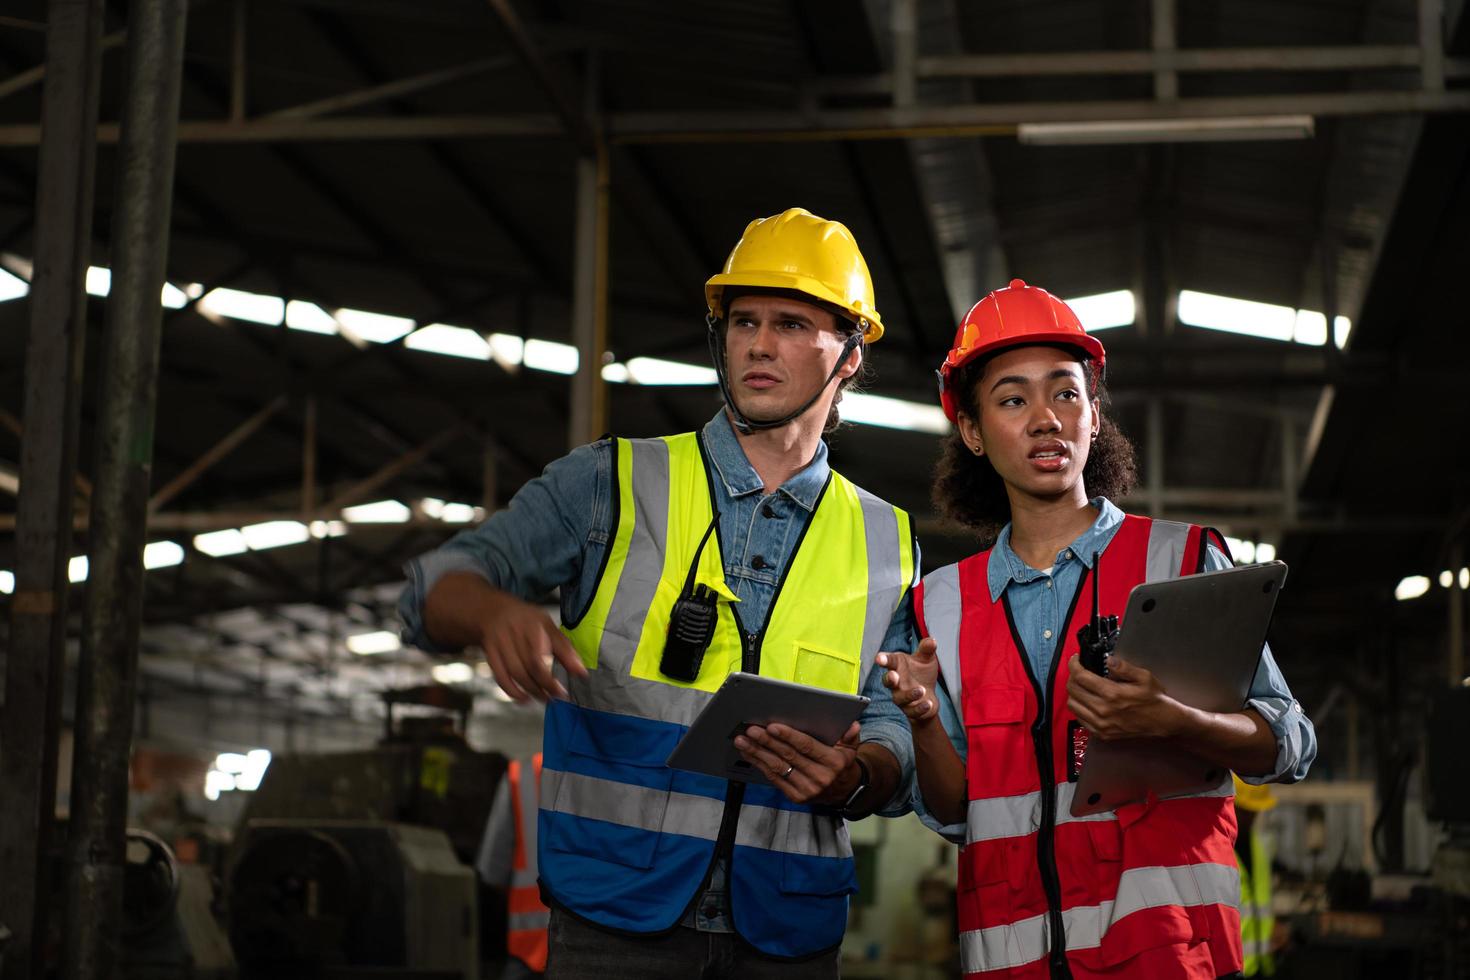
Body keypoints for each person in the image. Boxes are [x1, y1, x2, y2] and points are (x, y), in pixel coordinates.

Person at [400, 208, 921, 978]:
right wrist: (490, 610)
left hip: (788, 928)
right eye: (744, 321)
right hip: (614, 917)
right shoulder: (610, 482)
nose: (760, 344)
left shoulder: (887, 538)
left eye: (791, 322)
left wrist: (863, 773)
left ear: (848, 354)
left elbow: (892, 722)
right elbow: (431, 588)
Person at [877, 280, 1317, 980]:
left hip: (1167, 958)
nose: (1045, 418)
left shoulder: (1182, 564)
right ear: (972, 432)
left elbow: (1289, 742)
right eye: (1013, 399)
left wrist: (1172, 718)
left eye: (1065, 392)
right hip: (1011, 963)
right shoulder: (939, 608)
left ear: (1093, 414)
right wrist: (925, 720)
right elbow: (955, 809)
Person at [476, 752, 550, 978]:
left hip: (527, 950)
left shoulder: (521, 777)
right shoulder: (608, 774)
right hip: (589, 943)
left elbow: (492, 871)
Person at [1233, 777, 1279, 977]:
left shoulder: (1258, 849)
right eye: (1245, 811)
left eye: (1255, 811)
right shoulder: (1216, 853)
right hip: (1234, 969)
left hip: (1262, 965)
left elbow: (1260, 904)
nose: (1251, 818)